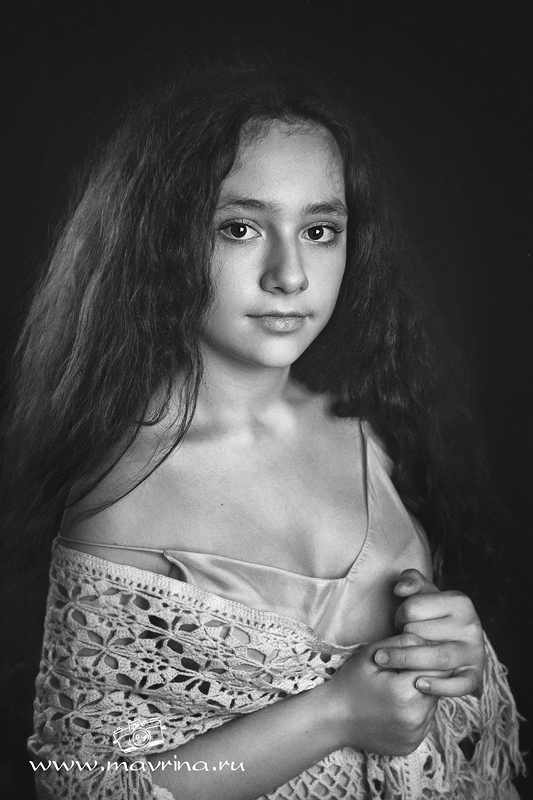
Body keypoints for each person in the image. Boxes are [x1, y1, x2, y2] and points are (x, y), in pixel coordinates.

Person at [2, 63, 523, 799]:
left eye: (319, 230)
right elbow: (77, 782)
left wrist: (449, 656)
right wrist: (334, 715)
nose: (290, 275)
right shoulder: (124, 494)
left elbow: (440, 720)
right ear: (163, 240)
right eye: (240, 228)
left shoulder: (372, 425)